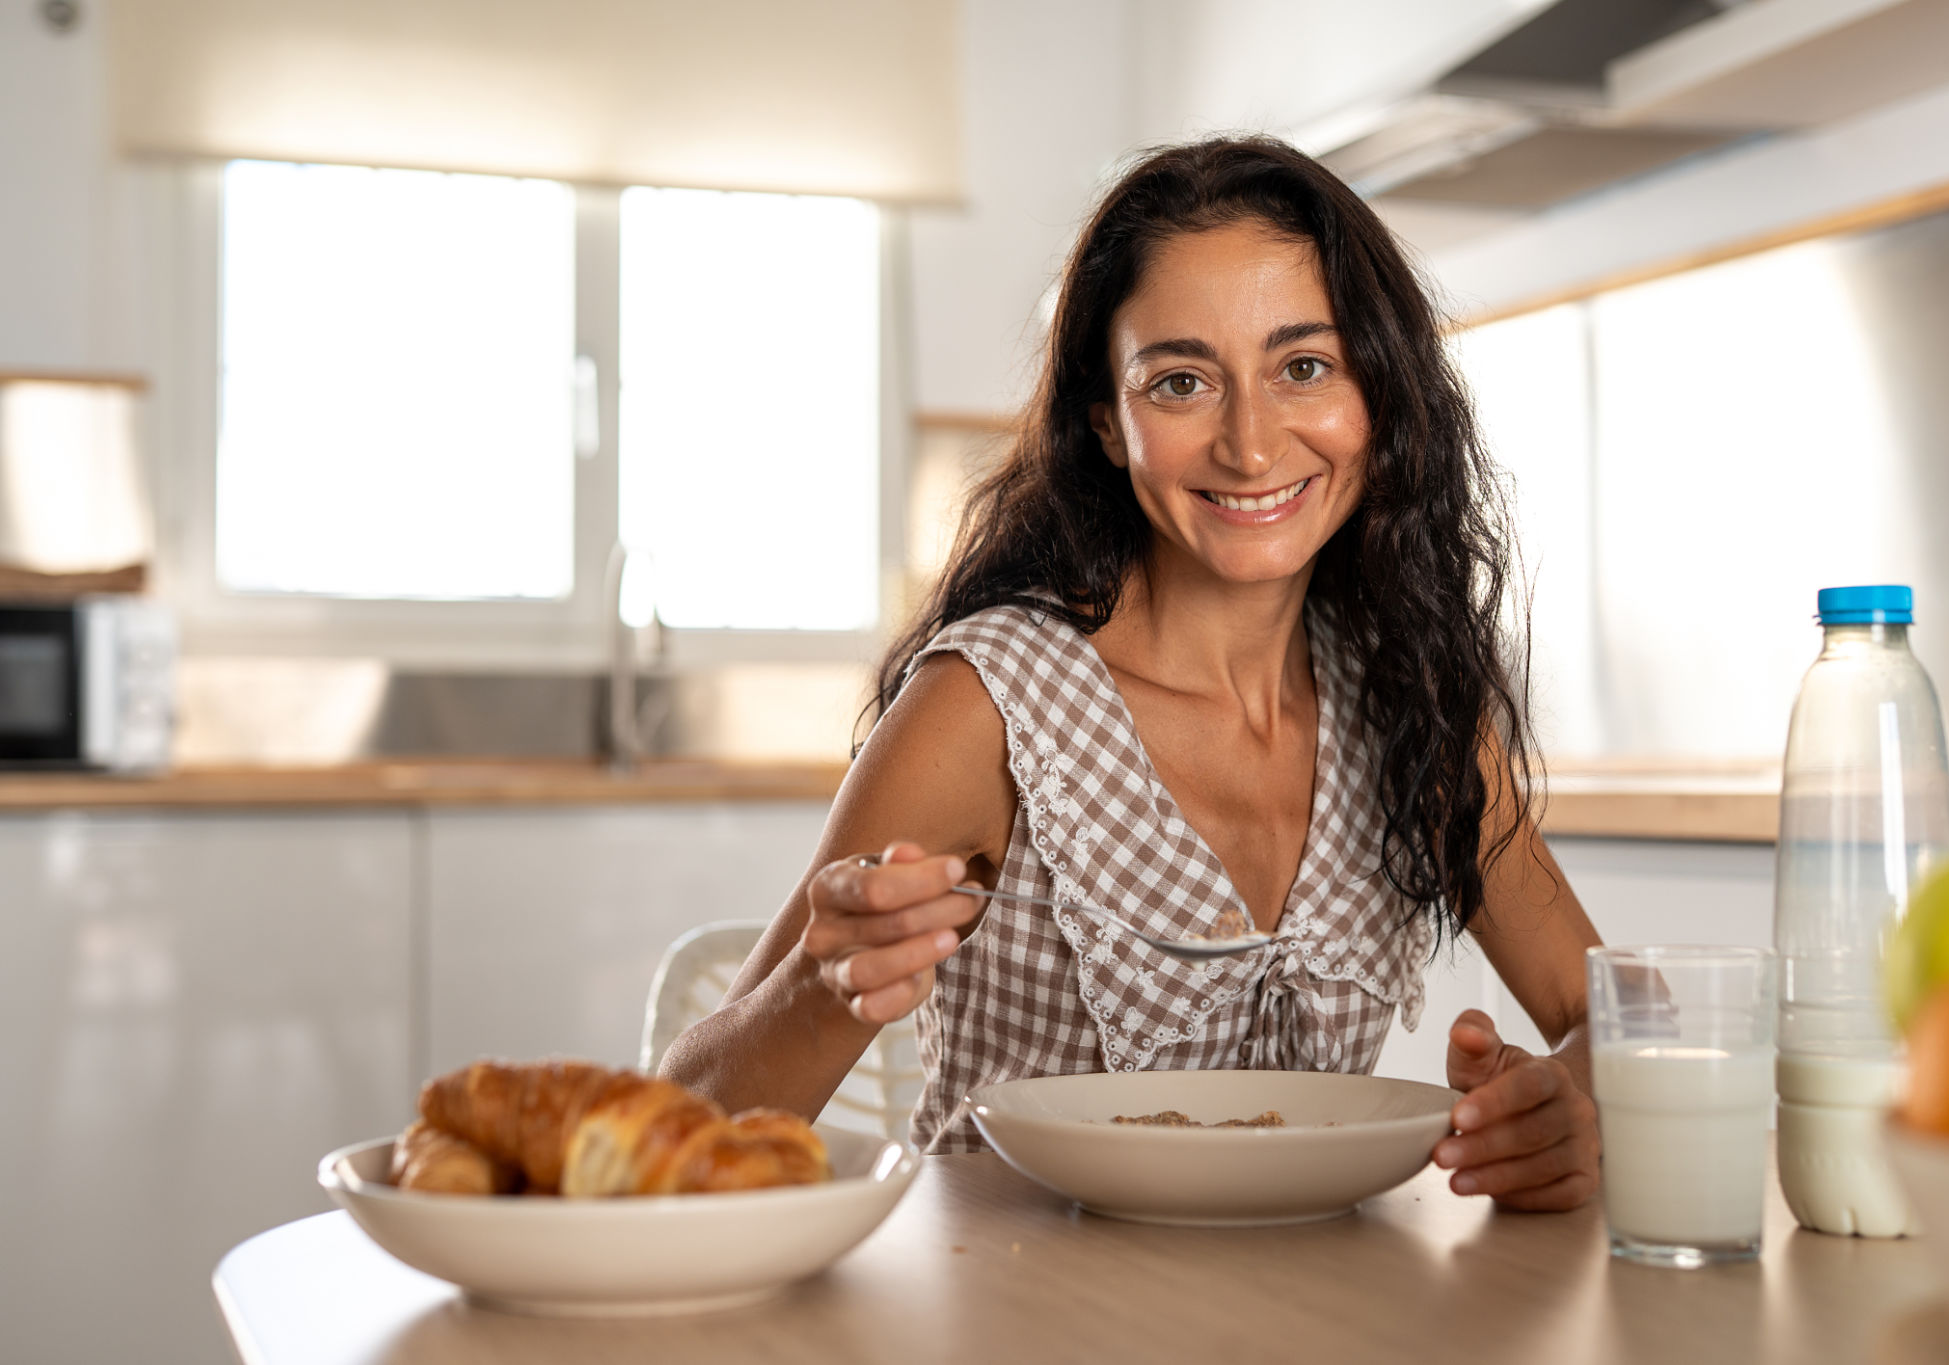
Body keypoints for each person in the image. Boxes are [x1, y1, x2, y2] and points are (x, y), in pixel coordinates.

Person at [661, 136, 1604, 1210]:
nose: (1249, 446)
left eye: (1303, 367)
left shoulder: (1411, 704)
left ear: (1379, 400)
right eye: (1180, 383)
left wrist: (1574, 1099)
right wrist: (822, 990)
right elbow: (680, 1118)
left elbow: (1625, 1021)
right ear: (1107, 423)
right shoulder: (985, 708)